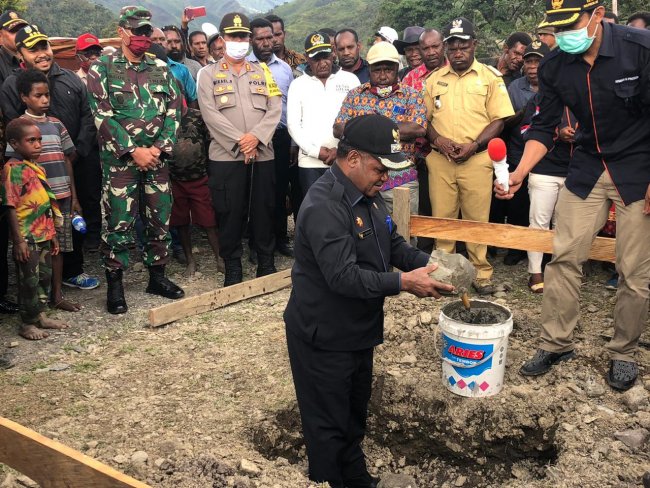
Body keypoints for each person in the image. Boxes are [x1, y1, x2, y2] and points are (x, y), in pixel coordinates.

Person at [284, 114, 454, 488]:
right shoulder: (324, 206)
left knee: (353, 413)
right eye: (380, 168)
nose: (386, 178)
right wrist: (403, 283)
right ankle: (331, 481)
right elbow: (342, 276)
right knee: (327, 425)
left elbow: (390, 243)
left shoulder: (369, 196)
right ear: (354, 158)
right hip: (323, 335)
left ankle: (358, 480)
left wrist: (431, 266)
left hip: (357, 329)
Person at [495, 0, 650, 391]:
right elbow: (543, 127)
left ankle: (623, 351)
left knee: (633, 270)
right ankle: (556, 342)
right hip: (586, 166)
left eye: (571, 25)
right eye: (556, 28)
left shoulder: (640, 48)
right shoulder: (553, 66)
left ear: (597, 15)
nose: (562, 36)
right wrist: (519, 173)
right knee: (564, 257)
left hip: (638, 167)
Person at [86, 6, 184, 314]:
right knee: (118, 223)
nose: (143, 37)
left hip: (156, 160)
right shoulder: (101, 67)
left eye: (146, 32)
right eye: (137, 32)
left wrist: (157, 149)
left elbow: (174, 111)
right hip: (120, 163)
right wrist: (133, 150)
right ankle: (116, 285)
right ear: (122, 32)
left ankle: (158, 277)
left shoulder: (159, 67)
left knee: (160, 219)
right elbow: (101, 115)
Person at [1, 25, 101, 292]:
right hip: (34, 170)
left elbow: (87, 117)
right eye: (33, 49)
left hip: (71, 162)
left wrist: (76, 151)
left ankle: (73, 271)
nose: (42, 53)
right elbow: (14, 126)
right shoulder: (12, 85)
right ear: (21, 53)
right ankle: (41, 282)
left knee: (70, 217)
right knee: (40, 224)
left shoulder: (70, 79)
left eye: (44, 47)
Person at [424, 17, 515, 295]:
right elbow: (423, 121)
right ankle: (443, 274)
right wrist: (438, 140)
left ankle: (481, 274)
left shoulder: (490, 77)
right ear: (446, 49)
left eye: (463, 46)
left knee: (477, 220)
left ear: (474, 45)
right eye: (453, 47)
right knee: (443, 219)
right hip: (441, 160)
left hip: (476, 159)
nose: (458, 52)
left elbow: (499, 120)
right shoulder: (433, 80)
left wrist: (474, 145)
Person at [196, 12, 282, 286]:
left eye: (243, 36)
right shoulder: (207, 74)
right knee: (229, 211)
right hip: (226, 156)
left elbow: (275, 108)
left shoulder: (263, 72)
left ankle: (265, 263)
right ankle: (233, 266)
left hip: (262, 153)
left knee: (263, 208)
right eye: (233, 36)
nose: (239, 41)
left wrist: (256, 137)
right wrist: (240, 141)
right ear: (222, 39)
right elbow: (210, 115)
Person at [7, 67, 85, 314]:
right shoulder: (19, 129)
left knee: (57, 247)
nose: (45, 100)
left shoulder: (56, 124)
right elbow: (14, 168)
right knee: (34, 254)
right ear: (24, 97)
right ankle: (33, 305)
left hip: (61, 197)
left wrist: (73, 196)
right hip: (34, 205)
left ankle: (56, 295)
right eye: (38, 95)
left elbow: (67, 159)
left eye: (47, 95)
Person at [334, 42, 427, 216]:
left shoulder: (411, 95)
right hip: (360, 180)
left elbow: (418, 127)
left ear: (397, 68)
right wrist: (382, 129)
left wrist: (368, 129)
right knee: (364, 233)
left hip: (400, 179)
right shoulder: (356, 95)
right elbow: (338, 128)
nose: (383, 76)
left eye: (388, 69)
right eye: (377, 70)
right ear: (369, 69)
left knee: (403, 233)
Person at [1, 117, 69, 340]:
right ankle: (27, 323)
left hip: (44, 235)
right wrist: (19, 241)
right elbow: (10, 206)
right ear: (15, 143)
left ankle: (40, 315)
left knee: (44, 278)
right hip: (27, 237)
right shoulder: (13, 170)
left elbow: (46, 204)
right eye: (31, 140)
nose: (38, 145)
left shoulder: (36, 167)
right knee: (29, 281)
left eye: (40, 140)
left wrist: (53, 236)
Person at [493, 40, 551, 266]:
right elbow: (506, 120)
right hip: (518, 150)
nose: (533, 66)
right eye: (529, 61)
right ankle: (517, 248)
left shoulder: (554, 86)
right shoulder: (515, 87)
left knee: (544, 208)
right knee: (518, 203)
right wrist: (524, 112)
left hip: (547, 155)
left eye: (537, 61)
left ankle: (545, 252)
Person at [247, 17, 298, 258]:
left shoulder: (285, 69)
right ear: (251, 40)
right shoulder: (243, 66)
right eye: (261, 38)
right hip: (253, 140)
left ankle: (279, 238)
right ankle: (257, 243)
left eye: (271, 37)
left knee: (278, 190)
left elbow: (290, 108)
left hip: (280, 137)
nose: (268, 42)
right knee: (255, 192)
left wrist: (292, 142)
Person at [287, 31, 360, 195]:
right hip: (310, 162)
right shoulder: (298, 85)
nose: (323, 63)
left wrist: (340, 150)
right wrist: (315, 151)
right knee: (316, 213)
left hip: (345, 159)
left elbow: (357, 120)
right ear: (307, 58)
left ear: (333, 52)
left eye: (326, 56)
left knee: (345, 211)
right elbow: (293, 125)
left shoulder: (350, 80)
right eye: (316, 59)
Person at [168, 99, 222, 278]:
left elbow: (210, 143)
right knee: (181, 222)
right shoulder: (161, 119)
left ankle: (219, 258)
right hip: (174, 179)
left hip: (199, 177)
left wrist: (212, 172)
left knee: (209, 220)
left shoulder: (197, 116)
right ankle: (190, 260)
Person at [0, 10, 28, 315]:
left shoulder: (20, 65)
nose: (16, 34)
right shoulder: (8, 75)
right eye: (11, 30)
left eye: (21, 29)